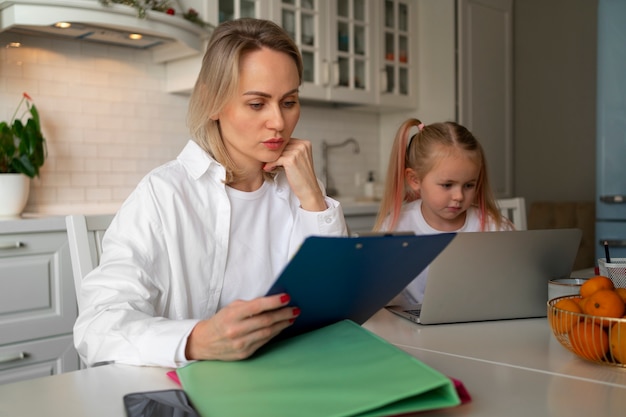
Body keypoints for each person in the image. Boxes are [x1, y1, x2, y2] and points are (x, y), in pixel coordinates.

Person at [73, 18, 347, 368]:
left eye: (289, 101)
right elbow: (97, 328)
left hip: (296, 372)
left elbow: (336, 305)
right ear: (212, 102)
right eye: (257, 104)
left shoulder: (303, 189)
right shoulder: (164, 194)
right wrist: (197, 339)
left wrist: (314, 199)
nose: (278, 122)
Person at [374, 118, 513, 305]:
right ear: (415, 180)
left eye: (469, 185)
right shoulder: (395, 226)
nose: (459, 196)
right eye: (447, 185)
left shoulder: (494, 227)